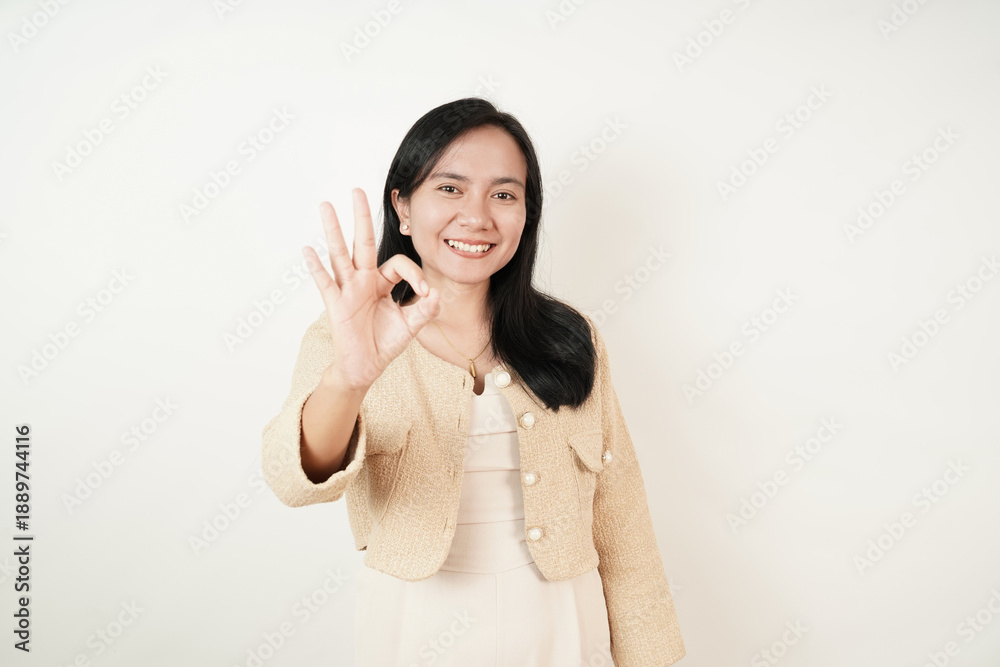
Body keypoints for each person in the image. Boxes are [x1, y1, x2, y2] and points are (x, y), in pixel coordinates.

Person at [261, 97, 686, 666]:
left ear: (527, 214)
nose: (477, 217)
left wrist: (652, 657)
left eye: (504, 195)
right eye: (450, 188)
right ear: (402, 207)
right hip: (418, 630)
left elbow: (622, 519)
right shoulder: (349, 334)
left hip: (563, 627)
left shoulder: (570, 337)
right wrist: (349, 379)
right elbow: (294, 482)